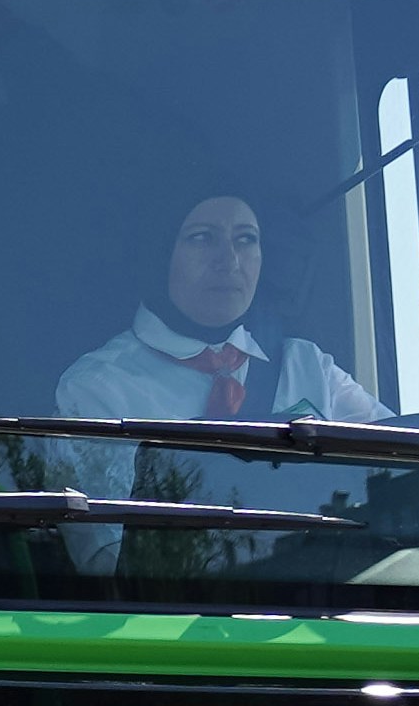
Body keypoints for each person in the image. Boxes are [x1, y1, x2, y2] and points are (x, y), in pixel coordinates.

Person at [49, 193, 381, 570]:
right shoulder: (96, 387)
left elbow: (401, 466)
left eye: (246, 239)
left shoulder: (308, 364)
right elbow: (105, 566)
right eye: (202, 237)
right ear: (160, 253)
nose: (230, 261)